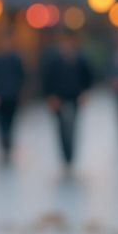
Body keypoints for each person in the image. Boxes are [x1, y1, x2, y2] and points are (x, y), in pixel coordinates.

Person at [40, 29, 94, 168]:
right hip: (59, 99)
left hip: (74, 98)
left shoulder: (81, 60)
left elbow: (88, 78)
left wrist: (85, 93)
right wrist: (50, 96)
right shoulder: (54, 61)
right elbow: (47, 79)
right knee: (61, 128)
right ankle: (65, 155)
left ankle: (70, 155)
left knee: (72, 127)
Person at [0, 33, 25, 163]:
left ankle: (8, 142)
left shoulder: (16, 60)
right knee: (1, 121)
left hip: (12, 95)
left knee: (11, 121)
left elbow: (21, 77)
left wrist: (19, 93)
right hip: (0, 96)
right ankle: (4, 142)